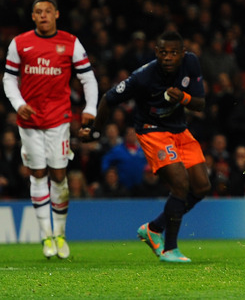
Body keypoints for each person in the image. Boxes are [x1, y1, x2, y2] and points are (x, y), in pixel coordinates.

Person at [80, 30, 210, 263]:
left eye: (173, 53)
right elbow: (108, 99)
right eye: (163, 53)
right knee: (180, 184)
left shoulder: (191, 62)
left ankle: (154, 228)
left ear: (182, 53)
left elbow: (200, 104)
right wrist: (96, 132)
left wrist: (183, 98)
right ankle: (170, 249)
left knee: (201, 187)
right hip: (153, 131)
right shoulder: (143, 77)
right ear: (156, 52)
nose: (168, 57)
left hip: (180, 130)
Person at [3, 0, 98, 259]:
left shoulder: (70, 42)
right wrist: (18, 103)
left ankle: (60, 234)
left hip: (58, 119)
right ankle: (46, 236)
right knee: (37, 174)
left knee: (58, 175)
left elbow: (88, 78)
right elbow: (9, 78)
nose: (43, 15)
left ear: (57, 14)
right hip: (29, 121)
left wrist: (91, 108)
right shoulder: (20, 43)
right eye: (38, 12)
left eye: (47, 11)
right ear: (32, 16)